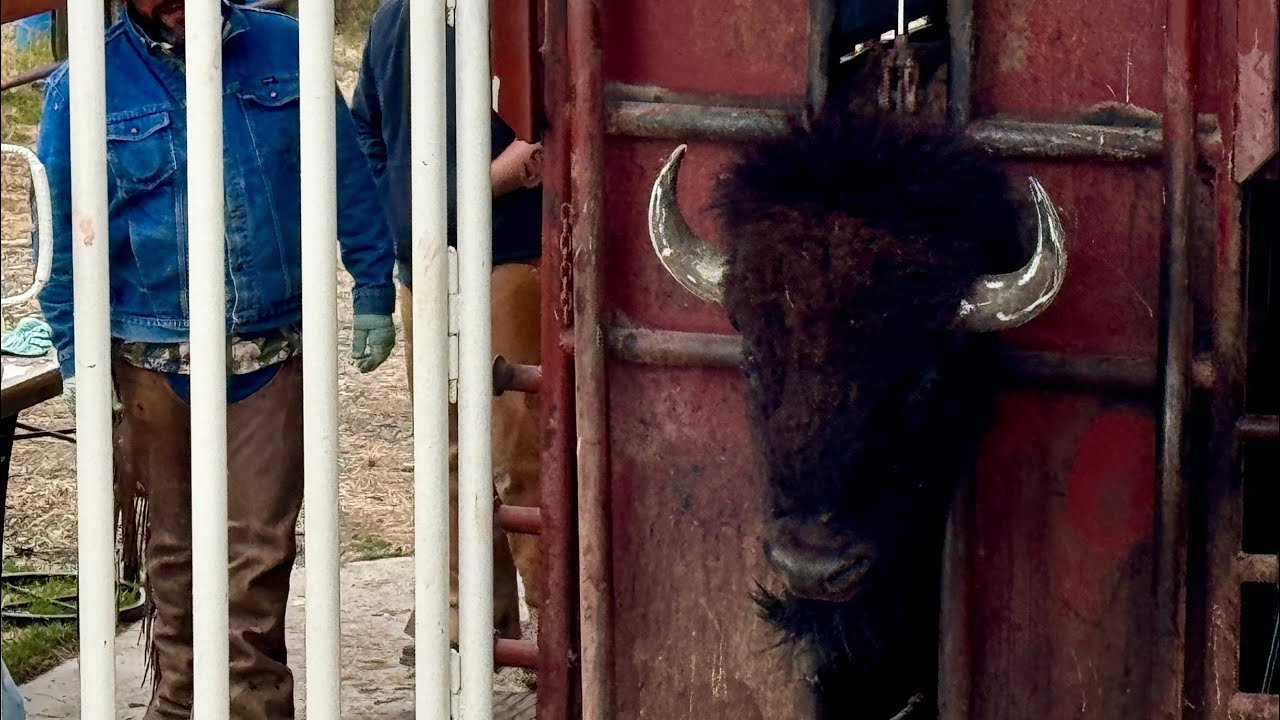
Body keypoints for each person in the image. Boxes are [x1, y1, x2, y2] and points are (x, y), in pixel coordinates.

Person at [35, 0, 397, 716]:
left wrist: (373, 286)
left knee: (257, 560)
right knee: (174, 561)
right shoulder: (85, 82)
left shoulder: (283, 47)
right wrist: (76, 356)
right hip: (151, 357)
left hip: (269, 345)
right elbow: (62, 233)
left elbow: (345, 172)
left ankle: (254, 709)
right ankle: (177, 707)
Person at [349, 0, 543, 662]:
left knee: (519, 450)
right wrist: (407, 210)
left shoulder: (523, 12)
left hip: (511, 250)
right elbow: (367, 128)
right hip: (429, 258)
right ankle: (472, 613)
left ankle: (556, 620)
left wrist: (451, 196)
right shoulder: (397, 15)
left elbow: (549, 126)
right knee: (451, 444)